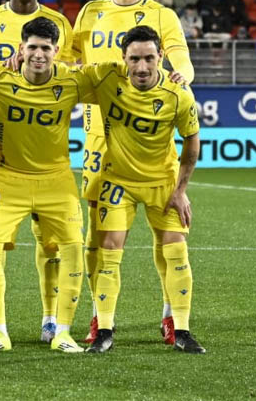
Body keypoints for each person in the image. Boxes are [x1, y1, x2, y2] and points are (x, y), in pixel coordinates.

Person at [69, 0, 194, 345]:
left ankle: (171, 316)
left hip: (146, 133)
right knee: (99, 236)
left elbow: (179, 55)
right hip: (97, 135)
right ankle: (99, 317)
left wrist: (183, 77)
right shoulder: (90, 12)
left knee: (167, 234)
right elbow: (70, 60)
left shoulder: (161, 14)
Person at [0, 17, 90, 354]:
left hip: (56, 180)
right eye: (32, 47)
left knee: (73, 248)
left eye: (46, 48)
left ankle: (62, 332)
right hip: (5, 178)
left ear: (57, 51)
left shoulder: (72, 80)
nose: (39, 54)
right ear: (21, 49)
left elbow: (116, 80)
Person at [0, 0, 74, 346]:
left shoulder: (59, 24)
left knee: (51, 241)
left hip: (45, 148)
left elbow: (65, 73)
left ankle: (51, 319)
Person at [84, 26, 205, 355]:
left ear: (161, 57)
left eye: (149, 58)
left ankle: (182, 330)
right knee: (109, 251)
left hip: (162, 182)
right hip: (117, 181)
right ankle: (104, 330)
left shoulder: (178, 93)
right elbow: (63, 77)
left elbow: (192, 141)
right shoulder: (106, 78)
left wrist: (181, 190)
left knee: (176, 250)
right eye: (134, 59)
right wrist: (24, 62)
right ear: (123, 58)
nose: (141, 67)